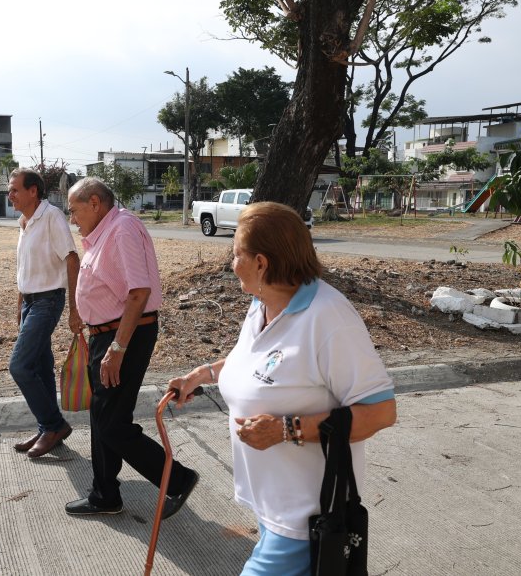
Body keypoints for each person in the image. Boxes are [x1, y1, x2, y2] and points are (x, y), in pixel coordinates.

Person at [167, 201, 396, 575]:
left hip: (305, 517)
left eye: (236, 254)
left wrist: (286, 429)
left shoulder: (329, 319)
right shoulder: (263, 303)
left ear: (261, 263)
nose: (231, 263)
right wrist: (202, 375)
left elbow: (381, 412)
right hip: (270, 505)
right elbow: (255, 363)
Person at [63, 177, 199, 518]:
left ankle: (176, 479)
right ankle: (104, 494)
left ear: (95, 203)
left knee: (112, 423)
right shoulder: (104, 231)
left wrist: (117, 348)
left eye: (74, 210)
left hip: (124, 335)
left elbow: (139, 293)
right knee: (102, 416)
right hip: (107, 335)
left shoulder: (122, 229)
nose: (72, 219)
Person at [7, 168, 82, 458]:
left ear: (33, 191)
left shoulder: (51, 216)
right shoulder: (24, 222)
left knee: (20, 366)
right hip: (30, 302)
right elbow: (24, 268)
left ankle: (54, 425)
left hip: (48, 301)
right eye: (10, 190)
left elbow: (72, 259)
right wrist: (20, 306)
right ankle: (47, 429)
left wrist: (75, 310)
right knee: (39, 366)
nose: (10, 195)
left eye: (15, 189)